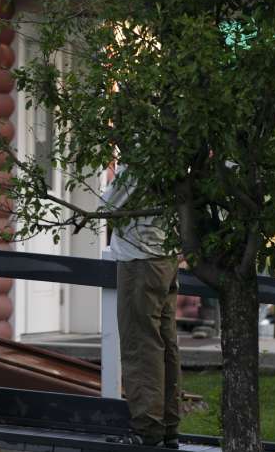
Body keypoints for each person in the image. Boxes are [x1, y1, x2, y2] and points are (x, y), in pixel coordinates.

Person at [104, 165, 180, 449]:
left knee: (140, 345)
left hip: (140, 258)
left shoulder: (141, 154)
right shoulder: (174, 145)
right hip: (165, 255)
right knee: (165, 344)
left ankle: (146, 429)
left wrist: (115, 178)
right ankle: (168, 426)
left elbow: (106, 204)